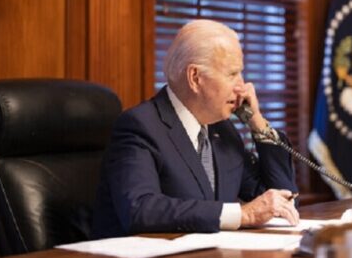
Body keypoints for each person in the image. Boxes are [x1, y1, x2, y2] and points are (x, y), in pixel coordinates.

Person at [91, 20, 300, 237]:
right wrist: (242, 214)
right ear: (195, 78)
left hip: (209, 255)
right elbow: (140, 209)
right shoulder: (140, 126)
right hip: (140, 257)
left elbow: (281, 201)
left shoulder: (223, 131)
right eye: (232, 74)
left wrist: (257, 123)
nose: (243, 87)